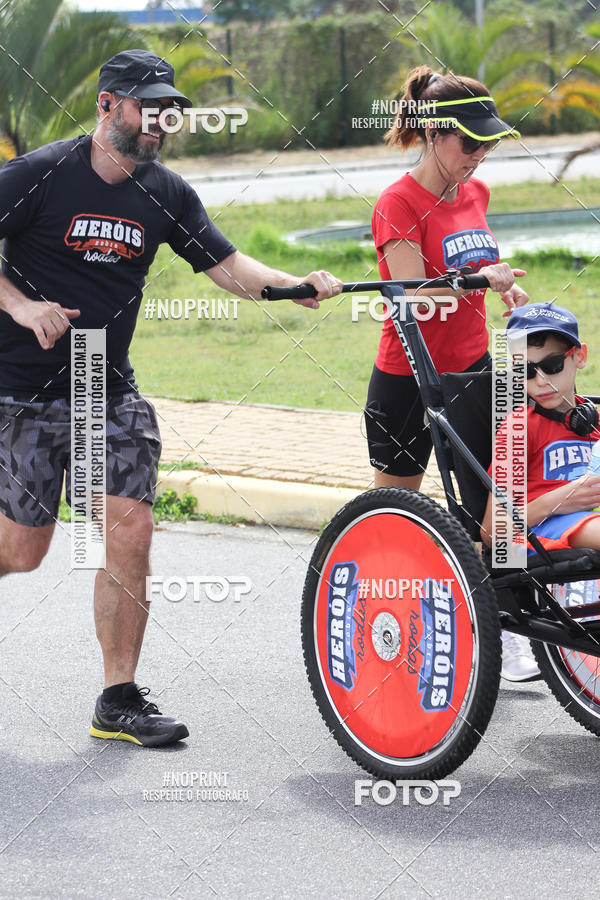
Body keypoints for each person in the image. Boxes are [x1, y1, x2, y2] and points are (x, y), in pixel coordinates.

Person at [0, 49, 343, 747]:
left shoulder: (165, 192)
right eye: (145, 107)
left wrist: (291, 286)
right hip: (20, 391)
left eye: (169, 110)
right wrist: (19, 304)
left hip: (105, 383)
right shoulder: (37, 175)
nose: (159, 121)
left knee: (130, 528)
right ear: (106, 104)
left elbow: (227, 265)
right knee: (23, 551)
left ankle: (117, 699)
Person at [364, 64, 536, 679]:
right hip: (408, 380)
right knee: (398, 517)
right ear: (434, 135)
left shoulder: (475, 193)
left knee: (502, 502)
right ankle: (383, 630)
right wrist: (472, 282)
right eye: (469, 143)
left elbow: (474, 266)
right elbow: (413, 296)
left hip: (474, 369)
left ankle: (508, 629)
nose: (479, 156)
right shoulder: (397, 203)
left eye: (487, 143)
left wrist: (501, 282)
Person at [481, 303, 600, 679]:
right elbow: (493, 530)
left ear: (578, 357)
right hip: (540, 530)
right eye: (525, 372)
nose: (540, 381)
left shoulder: (592, 419)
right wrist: (560, 500)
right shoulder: (519, 430)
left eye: (551, 366)